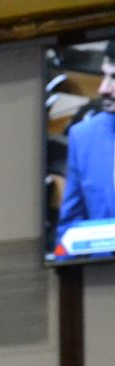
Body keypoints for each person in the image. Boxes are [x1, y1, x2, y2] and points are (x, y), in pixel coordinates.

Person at [57, 41, 115, 247]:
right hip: (101, 267)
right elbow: (70, 230)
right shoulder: (83, 137)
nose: (103, 89)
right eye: (104, 76)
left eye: (114, 78)